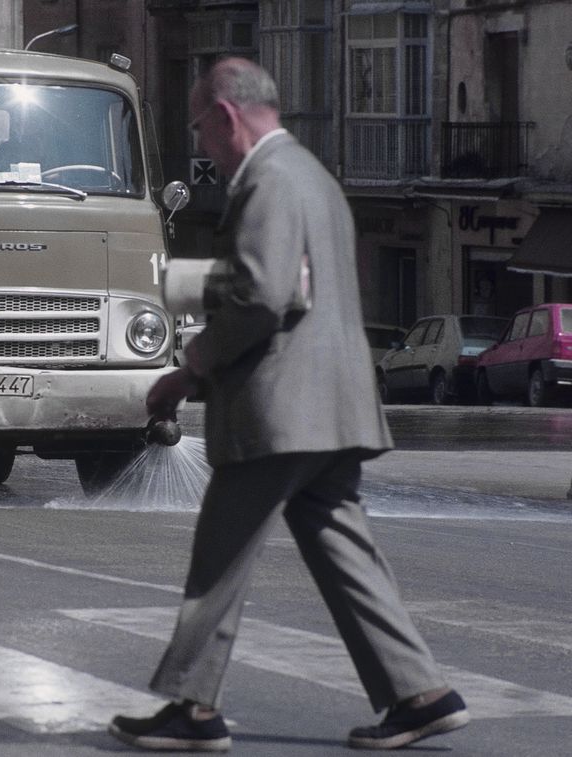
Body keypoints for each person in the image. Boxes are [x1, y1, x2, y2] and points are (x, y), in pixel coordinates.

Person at [108, 58, 469, 752]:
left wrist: (190, 369)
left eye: (199, 127)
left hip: (281, 406)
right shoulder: (314, 176)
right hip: (335, 404)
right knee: (342, 546)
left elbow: (265, 296)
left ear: (226, 115)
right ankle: (420, 693)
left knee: (221, 550)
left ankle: (194, 705)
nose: (203, 145)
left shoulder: (268, 180)